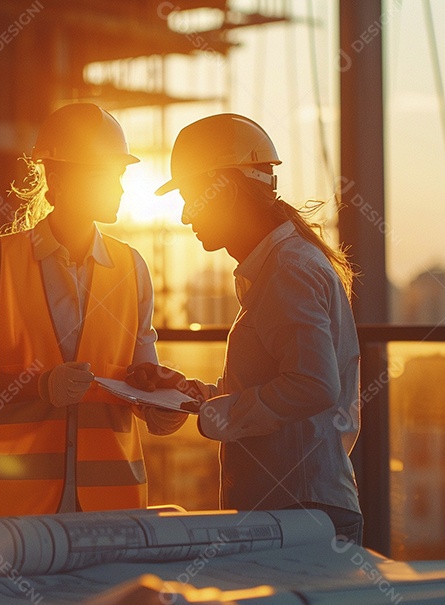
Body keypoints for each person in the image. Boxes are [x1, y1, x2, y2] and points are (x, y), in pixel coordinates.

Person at [128, 113, 363, 544]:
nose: (184, 216)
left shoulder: (288, 270)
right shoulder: (278, 268)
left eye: (193, 197)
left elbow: (312, 385)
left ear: (228, 191)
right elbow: (281, 392)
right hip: (294, 510)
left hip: (299, 516)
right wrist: (192, 396)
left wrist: (218, 415)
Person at [0, 103, 187, 517]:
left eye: (119, 175)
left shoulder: (132, 268)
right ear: (57, 180)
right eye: (103, 175)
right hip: (19, 510)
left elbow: (140, 379)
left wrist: (160, 405)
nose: (118, 188)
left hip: (113, 510)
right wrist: (39, 387)